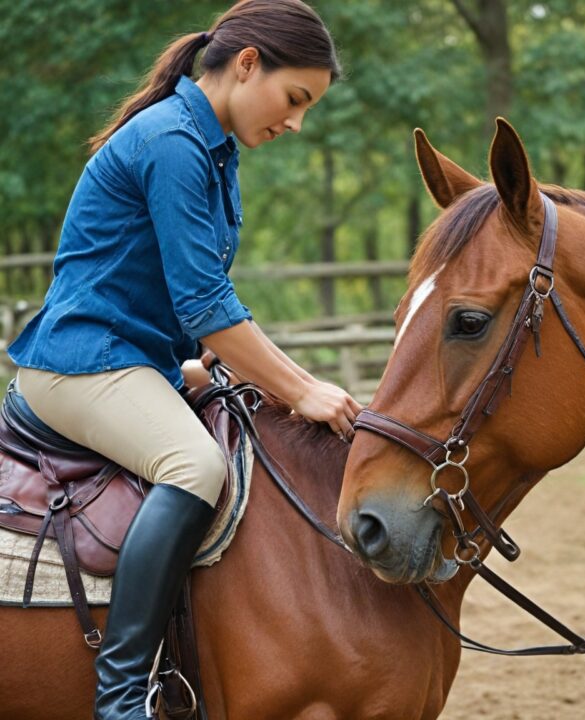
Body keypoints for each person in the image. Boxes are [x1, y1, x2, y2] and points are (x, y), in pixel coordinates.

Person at [7, 1, 362, 717]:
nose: (297, 123)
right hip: (80, 365)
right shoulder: (172, 139)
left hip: (132, 362)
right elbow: (205, 304)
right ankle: (122, 695)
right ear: (248, 63)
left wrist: (202, 370)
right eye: (296, 99)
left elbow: (185, 299)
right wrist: (301, 388)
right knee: (193, 467)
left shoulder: (214, 149)